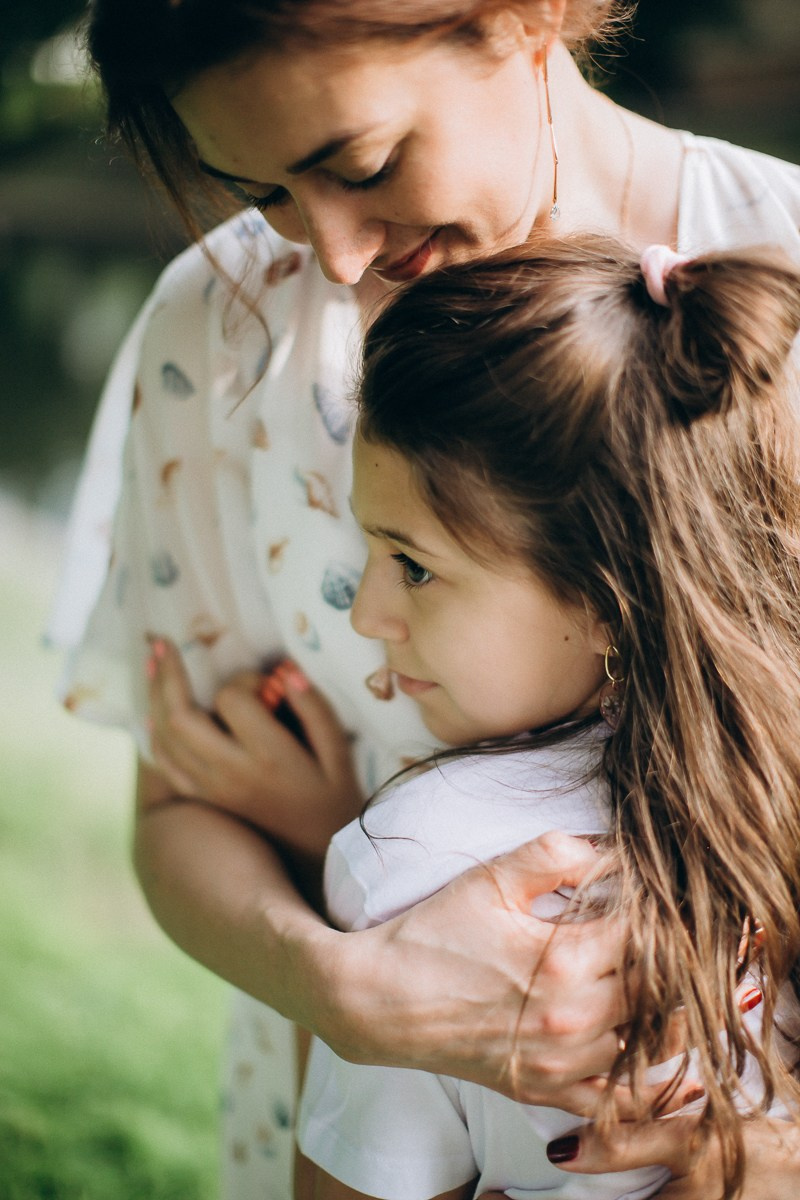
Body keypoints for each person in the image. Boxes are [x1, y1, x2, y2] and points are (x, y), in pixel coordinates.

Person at [50, 0, 800, 1195]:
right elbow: (177, 806)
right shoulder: (219, 333)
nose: (333, 254)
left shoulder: (782, 275)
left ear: (523, 17)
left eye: (358, 164)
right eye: (264, 196)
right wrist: (349, 986)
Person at [286, 235, 800, 1200]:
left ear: (605, 597)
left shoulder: (414, 866)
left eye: (415, 563)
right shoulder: (779, 789)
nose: (366, 615)